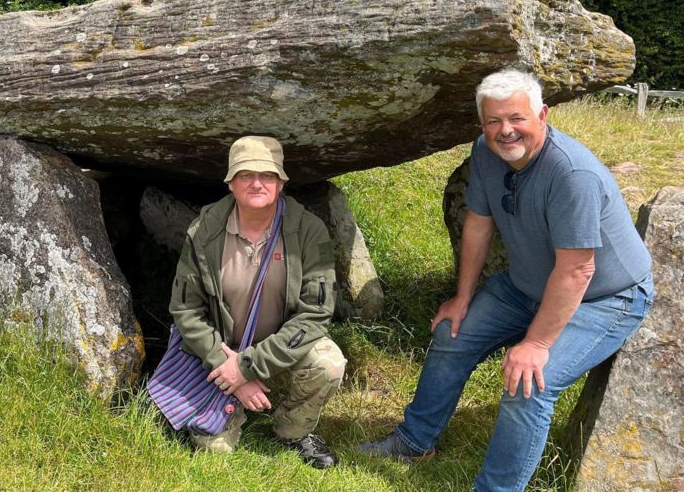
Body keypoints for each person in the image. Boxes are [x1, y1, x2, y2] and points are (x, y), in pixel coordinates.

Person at [357, 69, 654, 491]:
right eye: (493, 121)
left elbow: (577, 270)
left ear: (543, 115)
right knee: (451, 334)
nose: (505, 131)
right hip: (526, 285)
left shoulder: (572, 174)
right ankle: (413, 441)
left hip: (603, 297)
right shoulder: (485, 153)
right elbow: (478, 223)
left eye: (516, 118)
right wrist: (462, 297)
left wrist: (535, 345)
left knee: (529, 384)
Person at [168, 135, 346, 469]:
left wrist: (247, 367)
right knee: (215, 452)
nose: (256, 183)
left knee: (328, 363)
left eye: (267, 175)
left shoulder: (309, 231)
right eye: (245, 175)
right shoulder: (204, 230)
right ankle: (223, 405)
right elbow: (186, 310)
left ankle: (293, 431)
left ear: (281, 183)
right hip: (219, 354)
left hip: (279, 347)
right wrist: (229, 369)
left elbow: (316, 313)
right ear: (231, 183)